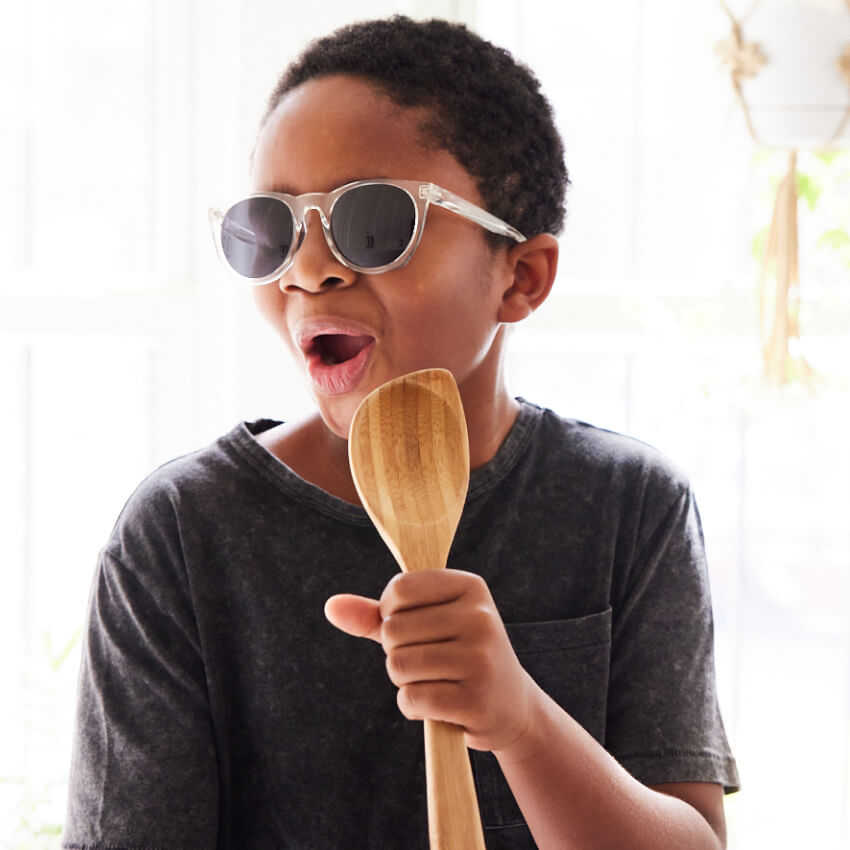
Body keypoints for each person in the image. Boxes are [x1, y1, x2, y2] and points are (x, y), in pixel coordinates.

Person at [63, 15, 739, 850]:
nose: (309, 269)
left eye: (373, 222)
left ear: (520, 277)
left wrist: (520, 719)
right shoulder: (181, 531)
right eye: (272, 230)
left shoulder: (630, 506)